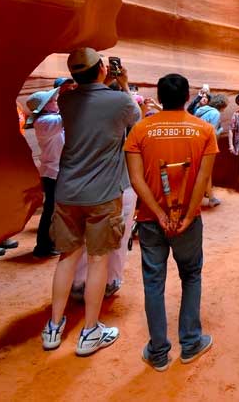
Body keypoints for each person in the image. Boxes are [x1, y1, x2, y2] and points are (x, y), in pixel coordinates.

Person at [40, 48, 141, 356]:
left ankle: (54, 328)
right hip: (103, 192)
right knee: (98, 259)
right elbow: (134, 121)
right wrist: (122, 83)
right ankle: (90, 331)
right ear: (102, 69)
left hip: (68, 191)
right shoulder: (120, 100)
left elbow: (78, 96)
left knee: (67, 257)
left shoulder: (68, 101)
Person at [125, 73, 217, 371]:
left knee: (154, 282)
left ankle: (158, 352)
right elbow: (203, 179)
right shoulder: (204, 130)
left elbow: (136, 179)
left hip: (152, 220)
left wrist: (161, 214)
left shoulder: (140, 130)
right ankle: (190, 343)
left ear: (160, 98)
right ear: (187, 96)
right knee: (191, 275)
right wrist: (188, 216)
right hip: (188, 222)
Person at [26, 88, 65, 257]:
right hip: (52, 173)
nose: (56, 102)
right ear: (44, 107)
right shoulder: (45, 122)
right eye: (53, 101)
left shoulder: (48, 119)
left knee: (53, 209)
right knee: (51, 210)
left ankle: (49, 243)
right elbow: (69, 117)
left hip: (54, 171)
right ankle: (43, 246)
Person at [194, 94, 228, 207]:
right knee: (206, 171)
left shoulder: (200, 110)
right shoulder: (215, 113)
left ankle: (206, 195)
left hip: (194, 142)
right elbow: (211, 131)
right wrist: (220, 131)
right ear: (222, 105)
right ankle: (211, 198)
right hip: (205, 145)